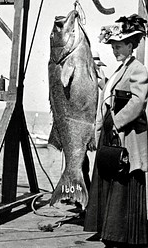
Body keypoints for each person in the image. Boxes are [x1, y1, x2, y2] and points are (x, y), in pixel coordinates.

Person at [84, 14, 148, 248]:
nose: (115, 51)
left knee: (123, 179)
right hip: (112, 131)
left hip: (126, 134)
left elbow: (138, 102)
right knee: (109, 177)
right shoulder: (123, 68)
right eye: (113, 47)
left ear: (131, 45)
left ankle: (123, 235)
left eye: (119, 46)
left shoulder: (138, 69)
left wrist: (117, 123)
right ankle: (109, 231)